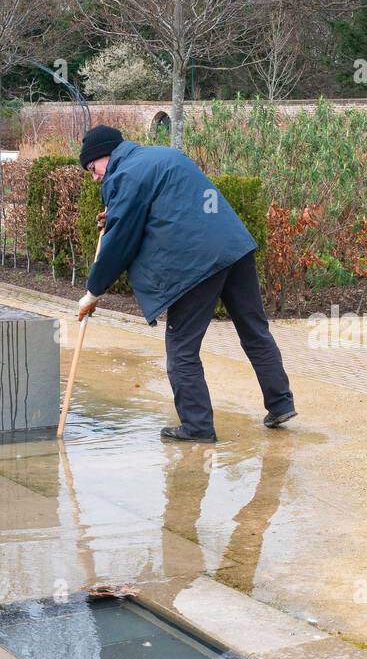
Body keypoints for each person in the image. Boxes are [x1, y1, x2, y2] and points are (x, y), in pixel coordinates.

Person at [75, 125, 296, 442]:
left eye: (93, 169)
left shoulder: (125, 175)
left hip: (198, 262)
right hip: (234, 246)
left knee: (181, 349)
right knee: (254, 329)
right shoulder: (160, 155)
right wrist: (118, 215)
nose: (95, 177)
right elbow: (167, 207)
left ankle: (197, 427)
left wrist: (93, 291)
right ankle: (281, 403)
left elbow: (120, 241)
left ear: (105, 155)